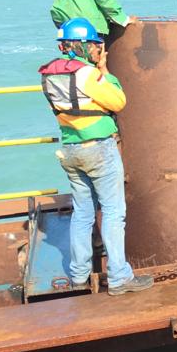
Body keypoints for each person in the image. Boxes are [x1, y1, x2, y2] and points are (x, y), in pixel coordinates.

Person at [39, 17, 153, 296]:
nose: (96, 49)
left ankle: (78, 276)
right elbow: (118, 101)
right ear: (82, 45)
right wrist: (104, 70)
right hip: (98, 149)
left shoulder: (48, 75)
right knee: (114, 211)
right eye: (93, 45)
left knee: (82, 213)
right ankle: (119, 278)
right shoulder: (88, 75)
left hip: (70, 150)